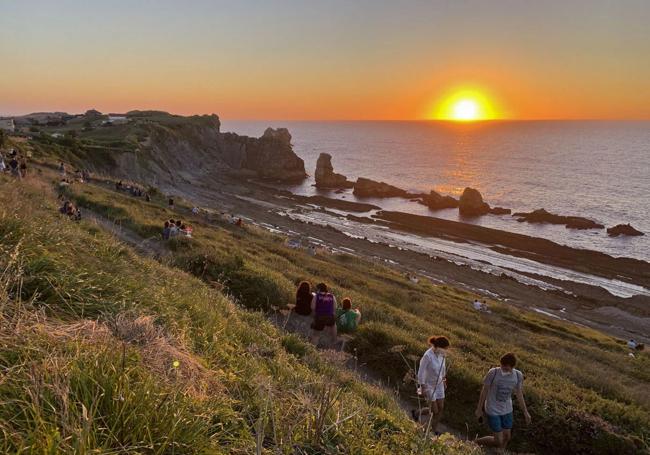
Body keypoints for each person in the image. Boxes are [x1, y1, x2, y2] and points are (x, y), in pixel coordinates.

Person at [475, 353, 531, 454]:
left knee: (507, 437)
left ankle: (499, 452)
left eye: (506, 367)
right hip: (492, 409)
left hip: (507, 409)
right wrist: (479, 409)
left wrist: (525, 412)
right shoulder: (493, 373)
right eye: (502, 366)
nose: (503, 368)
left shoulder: (518, 375)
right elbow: (484, 391)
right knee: (498, 440)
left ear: (512, 367)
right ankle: (475, 442)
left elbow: (519, 394)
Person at [412, 336, 450, 435]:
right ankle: (425, 429)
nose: (446, 351)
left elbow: (443, 368)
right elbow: (421, 372)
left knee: (441, 407)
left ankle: (433, 427)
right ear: (438, 347)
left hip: (439, 384)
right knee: (434, 410)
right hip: (428, 385)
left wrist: (444, 380)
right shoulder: (427, 356)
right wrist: (423, 387)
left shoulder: (441, 355)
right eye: (445, 349)